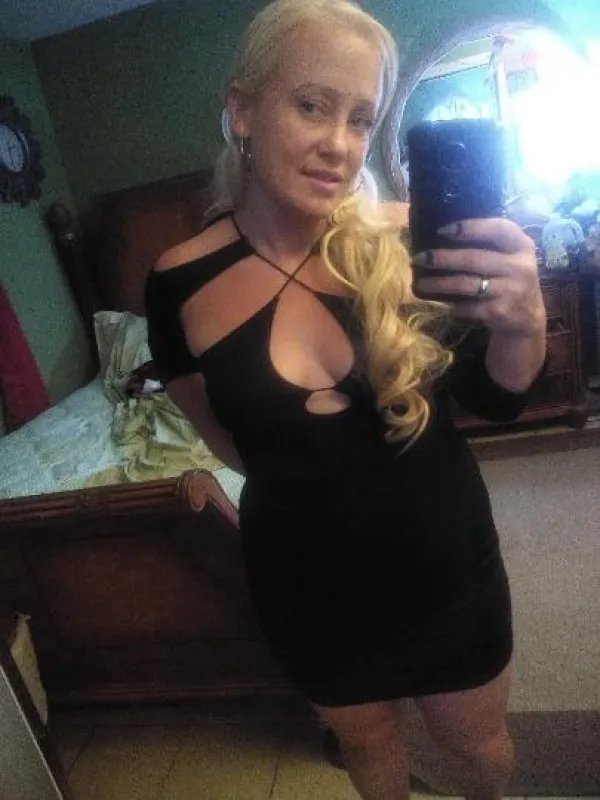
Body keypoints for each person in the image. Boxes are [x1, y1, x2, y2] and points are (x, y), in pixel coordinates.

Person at [144, 2, 547, 798]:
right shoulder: (177, 281)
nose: (339, 142)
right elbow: (222, 435)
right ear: (242, 111)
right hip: (307, 591)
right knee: (365, 746)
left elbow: (496, 400)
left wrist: (524, 322)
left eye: (360, 118)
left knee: (477, 748)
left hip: (446, 573)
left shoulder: (408, 241)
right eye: (311, 105)